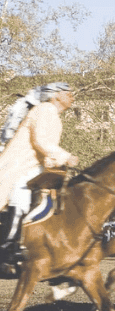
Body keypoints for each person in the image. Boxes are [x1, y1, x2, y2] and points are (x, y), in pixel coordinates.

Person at [0, 83, 79, 269]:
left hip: (31, 165)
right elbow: (41, 141)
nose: (72, 97)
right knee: (20, 193)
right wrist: (65, 157)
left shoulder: (51, 112)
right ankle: (8, 248)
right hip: (19, 165)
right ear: (55, 95)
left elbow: (43, 147)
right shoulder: (45, 109)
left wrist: (55, 162)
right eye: (68, 93)